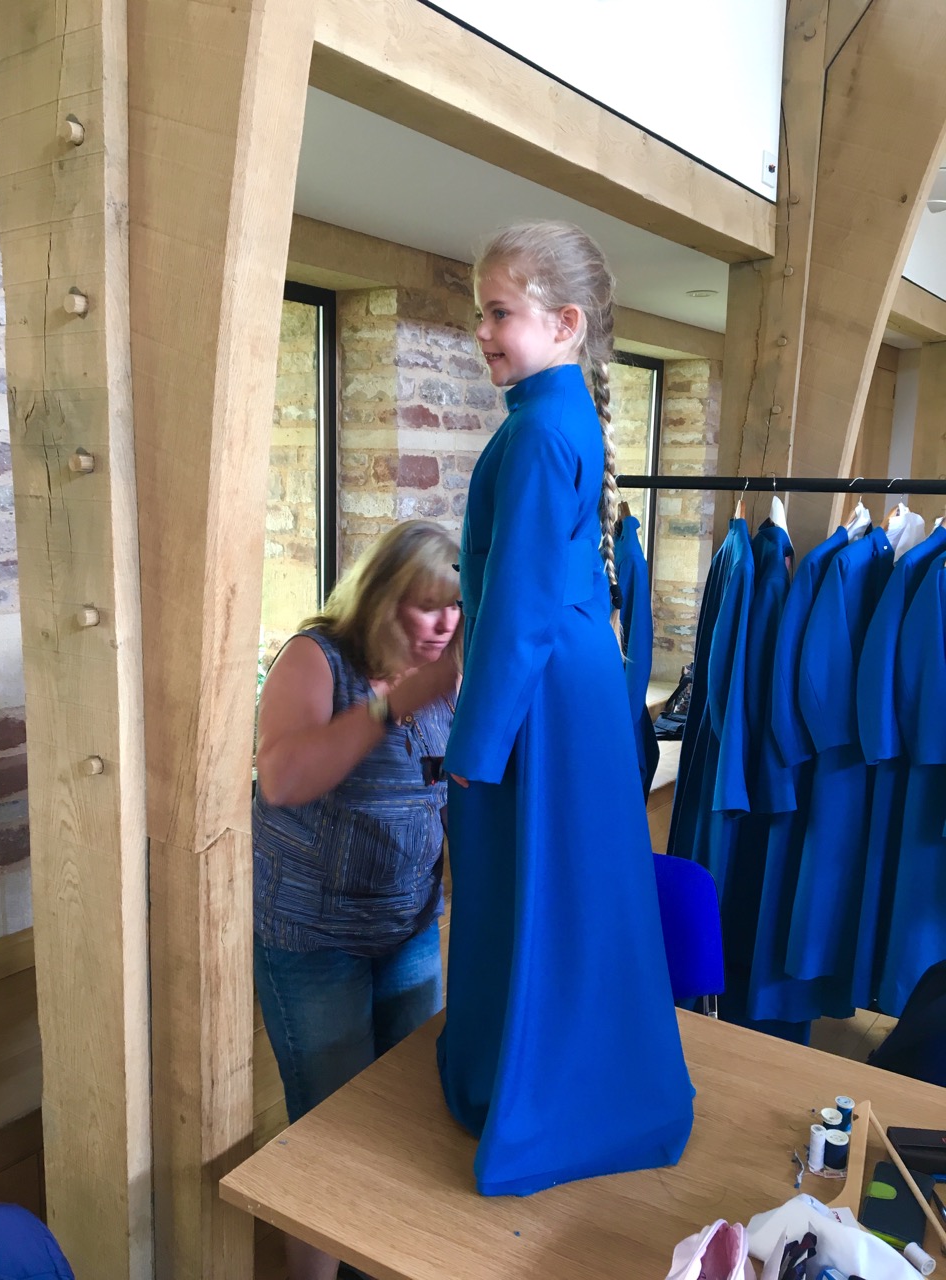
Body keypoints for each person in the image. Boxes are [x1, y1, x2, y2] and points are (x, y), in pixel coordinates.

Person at [438, 220, 695, 1196]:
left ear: (566, 321)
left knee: (536, 882)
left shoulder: (543, 428)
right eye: (481, 313)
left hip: (542, 690)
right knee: (554, 883)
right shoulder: (553, 418)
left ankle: (541, 1086)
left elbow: (522, 605)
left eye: (500, 311)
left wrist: (476, 740)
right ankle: (519, 1068)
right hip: (566, 681)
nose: (483, 330)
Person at [253, 520, 461, 1280]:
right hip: (313, 942)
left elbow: (452, 800)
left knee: (405, 1118)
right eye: (426, 605)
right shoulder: (318, 659)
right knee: (329, 1132)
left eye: (456, 607)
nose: (444, 624)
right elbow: (281, 778)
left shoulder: (443, 675)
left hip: (405, 931)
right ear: (380, 600)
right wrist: (391, 704)